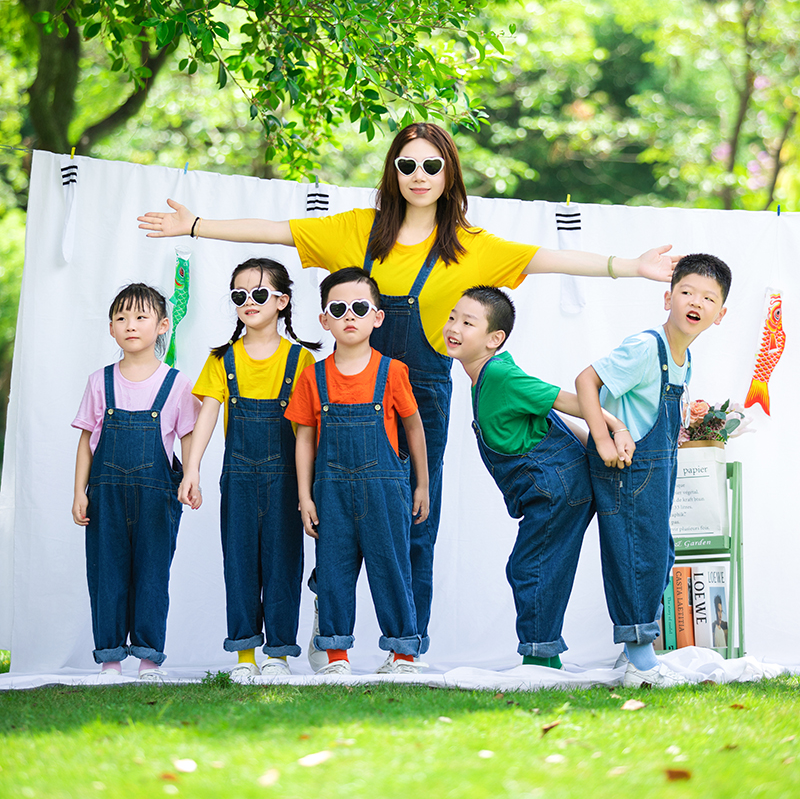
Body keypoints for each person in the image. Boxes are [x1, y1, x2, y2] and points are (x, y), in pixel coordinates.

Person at [138, 121, 679, 659]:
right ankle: (333, 635)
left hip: (421, 397)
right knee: (336, 512)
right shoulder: (358, 229)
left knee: (418, 517)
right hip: (345, 393)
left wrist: (631, 267)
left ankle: (407, 649)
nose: (419, 175)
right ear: (393, 171)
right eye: (407, 165)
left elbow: (546, 259)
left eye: (431, 166)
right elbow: (278, 231)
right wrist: (196, 227)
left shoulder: (470, 246)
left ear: (449, 174)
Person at [444, 286, 631, 668]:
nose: (454, 327)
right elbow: (549, 417)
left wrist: (615, 429)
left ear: (494, 339)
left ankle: (541, 659)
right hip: (552, 487)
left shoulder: (500, 375)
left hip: (556, 490)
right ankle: (542, 653)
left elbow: (570, 401)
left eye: (468, 322)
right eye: (452, 317)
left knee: (532, 567)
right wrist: (590, 447)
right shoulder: (486, 378)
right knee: (532, 566)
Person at [576, 253, 731, 687]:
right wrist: (603, 438)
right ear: (668, 297)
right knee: (634, 557)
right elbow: (587, 381)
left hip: (658, 473)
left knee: (657, 553)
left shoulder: (684, 357)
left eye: (707, 297)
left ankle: (638, 651)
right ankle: (638, 660)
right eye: (686, 292)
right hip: (628, 467)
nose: (694, 301)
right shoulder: (647, 346)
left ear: (720, 314)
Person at [177, 258, 319, 681]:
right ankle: (244, 657)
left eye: (259, 294)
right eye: (239, 296)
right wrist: (191, 470)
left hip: (287, 479)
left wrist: (308, 490)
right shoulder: (222, 359)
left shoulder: (302, 362)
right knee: (239, 563)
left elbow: (308, 433)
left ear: (282, 301)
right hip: (237, 477)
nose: (248, 302)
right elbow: (205, 416)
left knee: (283, 563)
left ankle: (277, 654)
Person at [285, 267, 428, 675]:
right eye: (338, 308)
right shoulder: (313, 377)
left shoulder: (393, 372)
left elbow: (415, 427)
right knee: (333, 571)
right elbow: (304, 439)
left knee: (392, 569)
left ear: (377, 317)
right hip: (329, 492)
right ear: (324, 319)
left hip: (386, 490)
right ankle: (335, 655)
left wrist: (422, 485)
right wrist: (304, 495)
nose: (350, 315)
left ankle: (402, 654)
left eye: (360, 307)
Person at [72, 284, 200, 681]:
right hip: (105, 496)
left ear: (162, 325)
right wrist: (79, 491)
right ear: (111, 328)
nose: (131, 325)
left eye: (141, 317)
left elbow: (189, 436)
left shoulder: (176, 383)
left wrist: (191, 475)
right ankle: (110, 660)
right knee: (106, 574)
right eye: (122, 317)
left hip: (157, 496)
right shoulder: (100, 381)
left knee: (151, 575)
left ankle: (148, 659)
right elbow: (86, 441)